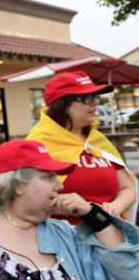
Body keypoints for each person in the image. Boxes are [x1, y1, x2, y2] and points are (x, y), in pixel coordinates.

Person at [0, 139, 139, 280]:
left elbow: (131, 272)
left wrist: (95, 217)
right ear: (17, 185)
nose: (60, 186)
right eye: (48, 177)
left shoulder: (66, 234)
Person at [26, 71, 138, 224]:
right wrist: (85, 210)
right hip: (61, 240)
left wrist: (113, 208)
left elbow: (127, 188)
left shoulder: (98, 140)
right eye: (86, 98)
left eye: (95, 96)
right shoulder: (37, 144)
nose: (95, 102)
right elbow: (26, 199)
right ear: (63, 104)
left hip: (109, 236)